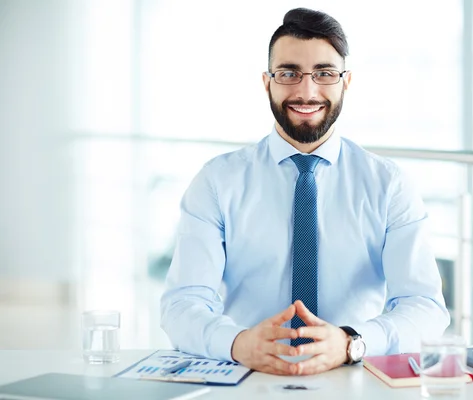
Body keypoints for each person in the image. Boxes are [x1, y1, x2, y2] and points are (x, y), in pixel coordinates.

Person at [160, 7, 450, 376]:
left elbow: (423, 305)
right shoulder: (217, 181)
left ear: (346, 82)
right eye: (289, 73)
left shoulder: (388, 185)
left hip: (356, 374)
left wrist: (352, 343)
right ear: (267, 82)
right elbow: (182, 302)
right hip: (248, 374)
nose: (306, 91)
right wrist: (237, 344)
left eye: (325, 73)